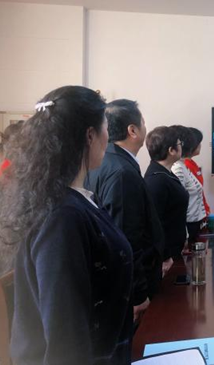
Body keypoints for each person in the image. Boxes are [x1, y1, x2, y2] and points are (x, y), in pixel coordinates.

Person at [1, 86, 133, 364]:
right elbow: (65, 337)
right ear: (90, 135)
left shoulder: (72, 200)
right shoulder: (63, 217)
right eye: (106, 128)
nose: (108, 138)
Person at [86, 99, 164, 323]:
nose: (145, 128)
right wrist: (138, 293)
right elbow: (126, 236)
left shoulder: (104, 160)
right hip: (128, 290)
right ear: (133, 130)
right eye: (143, 123)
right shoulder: (122, 172)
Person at [144, 126, 189, 274]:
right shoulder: (157, 180)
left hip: (174, 250)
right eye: (179, 144)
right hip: (166, 258)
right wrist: (165, 256)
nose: (181, 147)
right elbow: (154, 222)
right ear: (171, 150)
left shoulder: (165, 173)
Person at [171, 126, 208, 242]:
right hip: (187, 225)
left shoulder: (184, 165)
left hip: (195, 221)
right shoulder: (178, 168)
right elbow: (178, 203)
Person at [184, 127, 211, 218]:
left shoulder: (192, 163)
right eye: (199, 142)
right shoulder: (184, 166)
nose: (200, 145)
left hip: (200, 214)